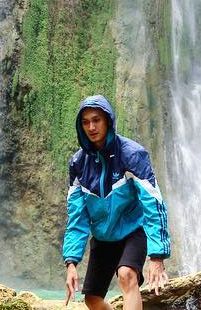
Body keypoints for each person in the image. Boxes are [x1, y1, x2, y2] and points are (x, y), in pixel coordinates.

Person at [62, 95, 170, 310]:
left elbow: (153, 202)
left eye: (97, 120)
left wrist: (157, 256)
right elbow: (77, 216)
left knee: (126, 274)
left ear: (108, 121)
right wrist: (71, 262)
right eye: (85, 122)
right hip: (104, 235)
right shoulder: (78, 163)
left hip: (133, 230)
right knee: (92, 300)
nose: (91, 127)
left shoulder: (132, 154)